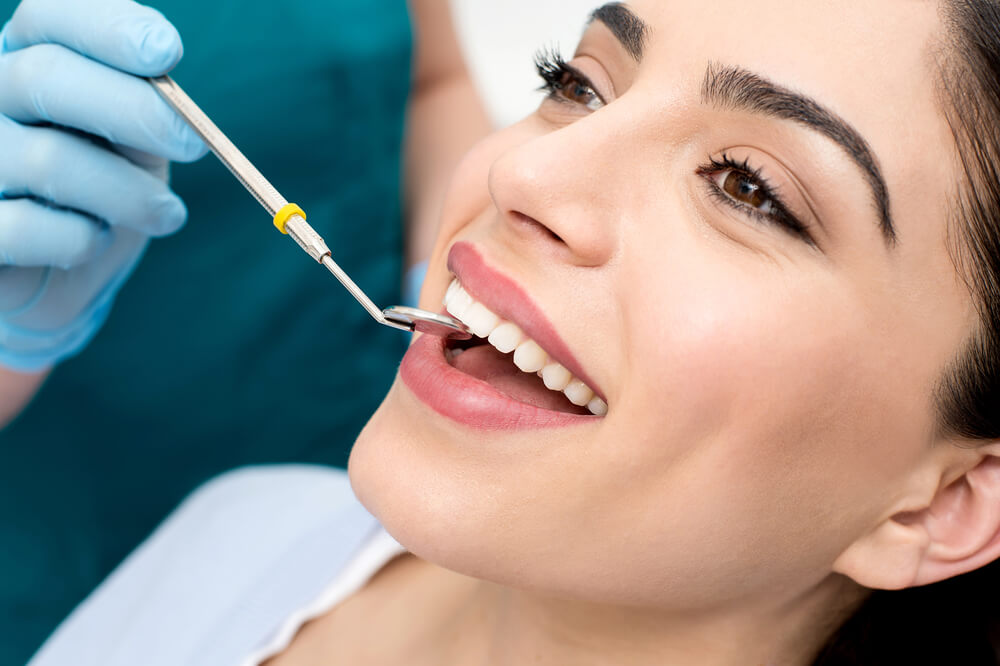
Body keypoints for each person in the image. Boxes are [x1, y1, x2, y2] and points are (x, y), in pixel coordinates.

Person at [20, 0, 1000, 663]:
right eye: (576, 84)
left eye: (748, 190)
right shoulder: (239, 528)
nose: (519, 175)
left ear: (947, 502)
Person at [0, 0, 489, 663]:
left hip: (362, 446)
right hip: (68, 536)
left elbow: (437, 80)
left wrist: (448, 272)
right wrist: (14, 335)